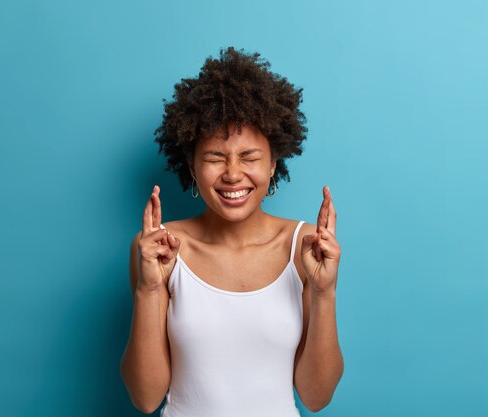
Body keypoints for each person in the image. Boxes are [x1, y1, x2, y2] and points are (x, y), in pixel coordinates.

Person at [120, 46, 344, 416]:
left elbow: (316, 397)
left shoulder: (307, 249)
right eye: (214, 158)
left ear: (274, 164)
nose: (233, 174)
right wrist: (149, 288)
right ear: (191, 166)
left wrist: (324, 292)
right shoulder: (160, 250)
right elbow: (145, 398)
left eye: (250, 157)